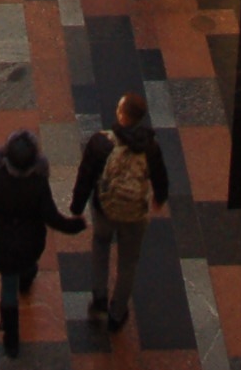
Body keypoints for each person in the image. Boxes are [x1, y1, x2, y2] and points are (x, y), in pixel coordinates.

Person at [0, 131, 84, 357]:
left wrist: (1, 221)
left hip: (4, 244)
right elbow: (52, 217)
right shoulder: (38, 183)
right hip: (30, 243)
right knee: (27, 266)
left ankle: (11, 339)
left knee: (8, 289)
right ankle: (26, 280)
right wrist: (74, 226)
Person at [70, 93, 169, 331]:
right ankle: (117, 313)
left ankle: (99, 297)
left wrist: (77, 207)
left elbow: (85, 177)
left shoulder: (100, 143)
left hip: (105, 208)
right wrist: (159, 197)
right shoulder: (150, 146)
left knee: (101, 245)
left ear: (121, 114)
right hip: (135, 214)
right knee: (128, 262)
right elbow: (160, 176)